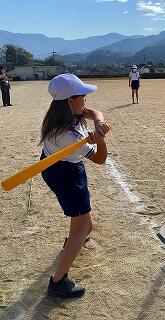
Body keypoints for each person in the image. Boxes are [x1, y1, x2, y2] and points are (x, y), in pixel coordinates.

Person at [40, 73, 110, 298]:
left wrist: (98, 123)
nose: (86, 99)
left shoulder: (61, 113)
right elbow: (100, 159)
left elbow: (93, 113)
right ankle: (58, 281)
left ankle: (72, 241)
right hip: (64, 174)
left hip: (60, 165)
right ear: (70, 101)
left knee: (80, 222)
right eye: (83, 96)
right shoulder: (68, 135)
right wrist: (101, 140)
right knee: (85, 225)